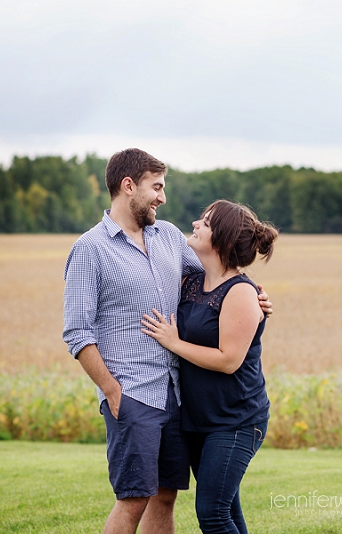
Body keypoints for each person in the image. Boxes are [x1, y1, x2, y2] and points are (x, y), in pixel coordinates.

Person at [62, 149, 272, 534]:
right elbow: (77, 333)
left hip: (175, 397)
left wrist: (255, 296)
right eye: (156, 187)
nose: (162, 197)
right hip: (133, 393)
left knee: (164, 495)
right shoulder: (90, 250)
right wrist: (112, 391)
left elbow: (219, 280)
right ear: (129, 187)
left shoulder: (170, 238)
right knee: (133, 499)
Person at [141, 199, 278, 534]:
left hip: (236, 419)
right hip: (200, 420)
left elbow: (229, 360)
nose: (196, 223)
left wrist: (174, 343)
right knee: (228, 511)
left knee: (212, 513)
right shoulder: (191, 282)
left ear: (224, 240)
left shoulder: (241, 292)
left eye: (206, 221)